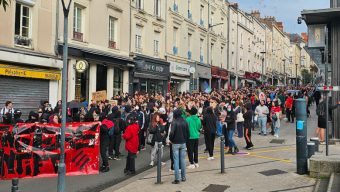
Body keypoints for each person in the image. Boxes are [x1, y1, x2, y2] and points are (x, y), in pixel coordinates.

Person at [169, 109, 189, 184]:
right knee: (183, 160)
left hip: (175, 142)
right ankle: (183, 177)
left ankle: (177, 178)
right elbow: (188, 133)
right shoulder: (185, 121)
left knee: (176, 161)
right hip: (183, 142)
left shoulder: (174, 122)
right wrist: (185, 139)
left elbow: (172, 133)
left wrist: (171, 139)